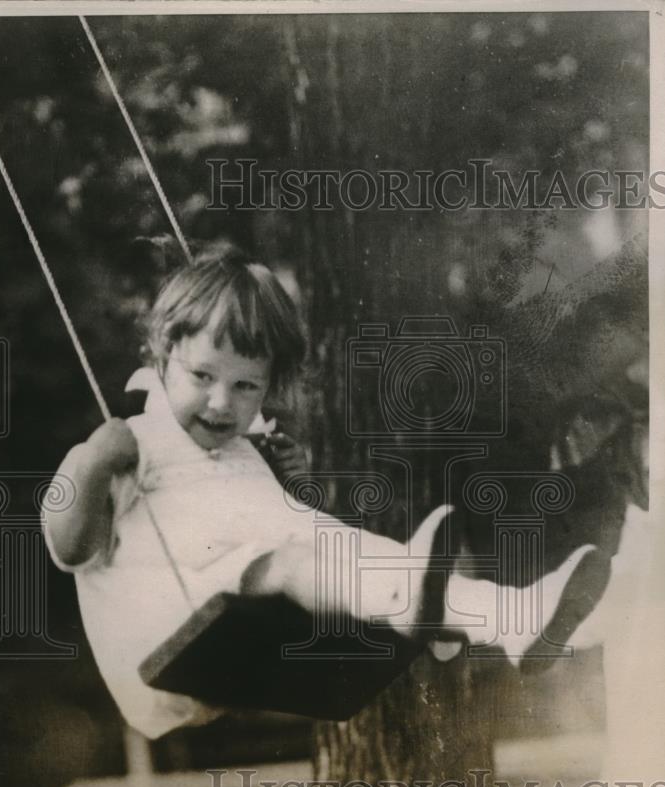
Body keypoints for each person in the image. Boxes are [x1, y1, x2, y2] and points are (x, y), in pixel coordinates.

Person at [44, 245, 594, 739]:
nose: (220, 403)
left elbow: (261, 529)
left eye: (245, 387)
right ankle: (414, 602)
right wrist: (93, 462)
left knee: (335, 545)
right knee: (296, 562)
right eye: (203, 377)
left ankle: (509, 617)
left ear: (268, 384)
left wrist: (289, 487)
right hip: (170, 640)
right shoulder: (126, 445)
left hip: (243, 632)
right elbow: (69, 548)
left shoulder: (244, 451)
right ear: (162, 357)